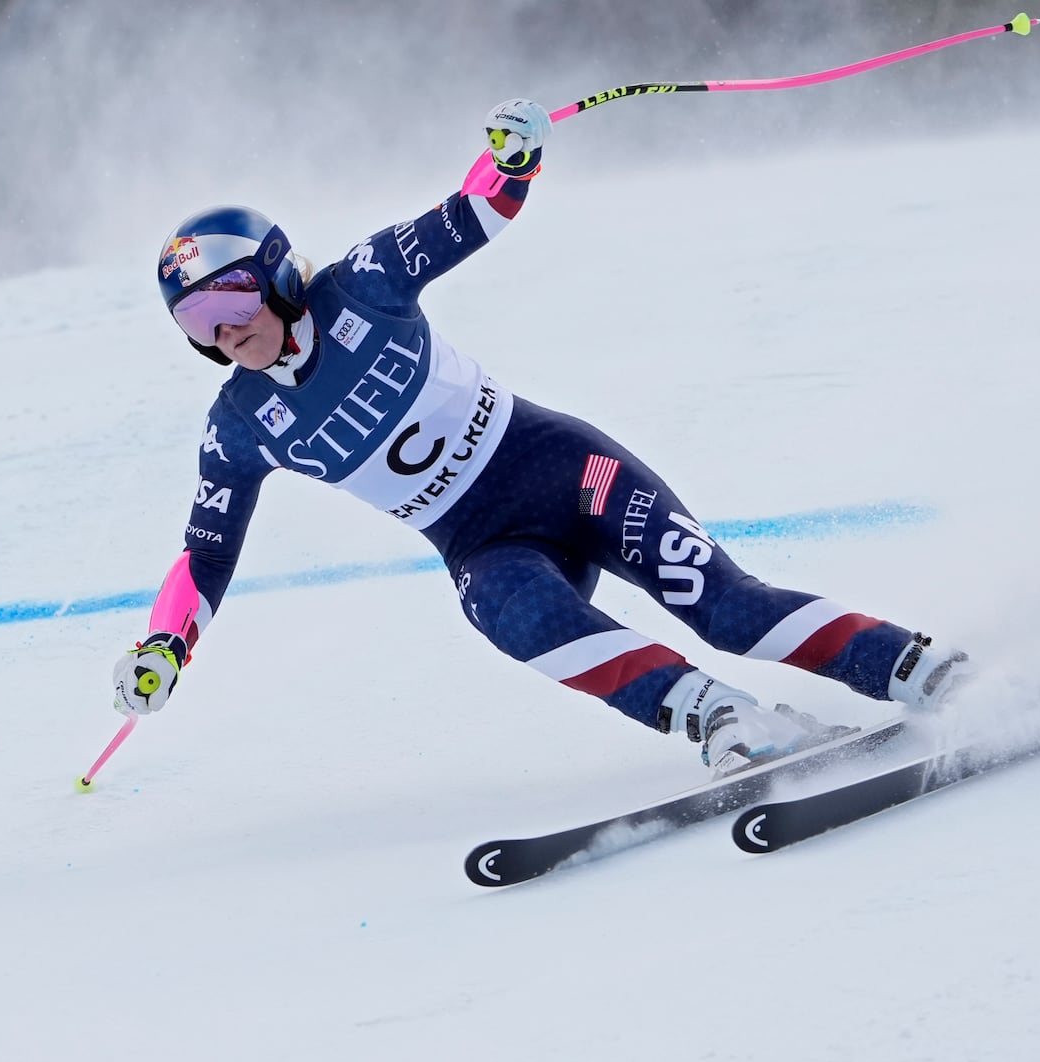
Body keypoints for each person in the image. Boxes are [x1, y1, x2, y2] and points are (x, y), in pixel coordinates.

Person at [113, 98, 969, 777]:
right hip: (483, 541)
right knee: (513, 617)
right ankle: (721, 717)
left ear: (276, 272)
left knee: (728, 607)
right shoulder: (236, 427)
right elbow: (205, 553)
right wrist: (165, 645)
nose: (221, 332)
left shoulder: (363, 283)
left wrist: (513, 157)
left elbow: (472, 212)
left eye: (229, 302)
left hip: (557, 468)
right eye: (194, 320)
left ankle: (916, 668)